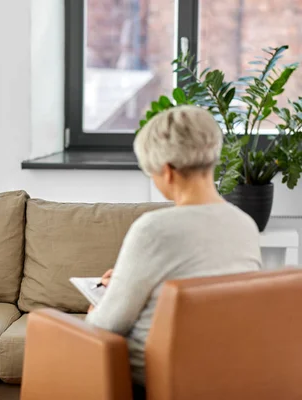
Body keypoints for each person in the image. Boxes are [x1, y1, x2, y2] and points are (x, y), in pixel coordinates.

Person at [86, 105, 262, 397]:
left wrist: (97, 307)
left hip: (151, 378)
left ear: (167, 172)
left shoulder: (153, 230)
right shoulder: (245, 224)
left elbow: (108, 324)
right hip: (224, 373)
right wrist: (125, 281)